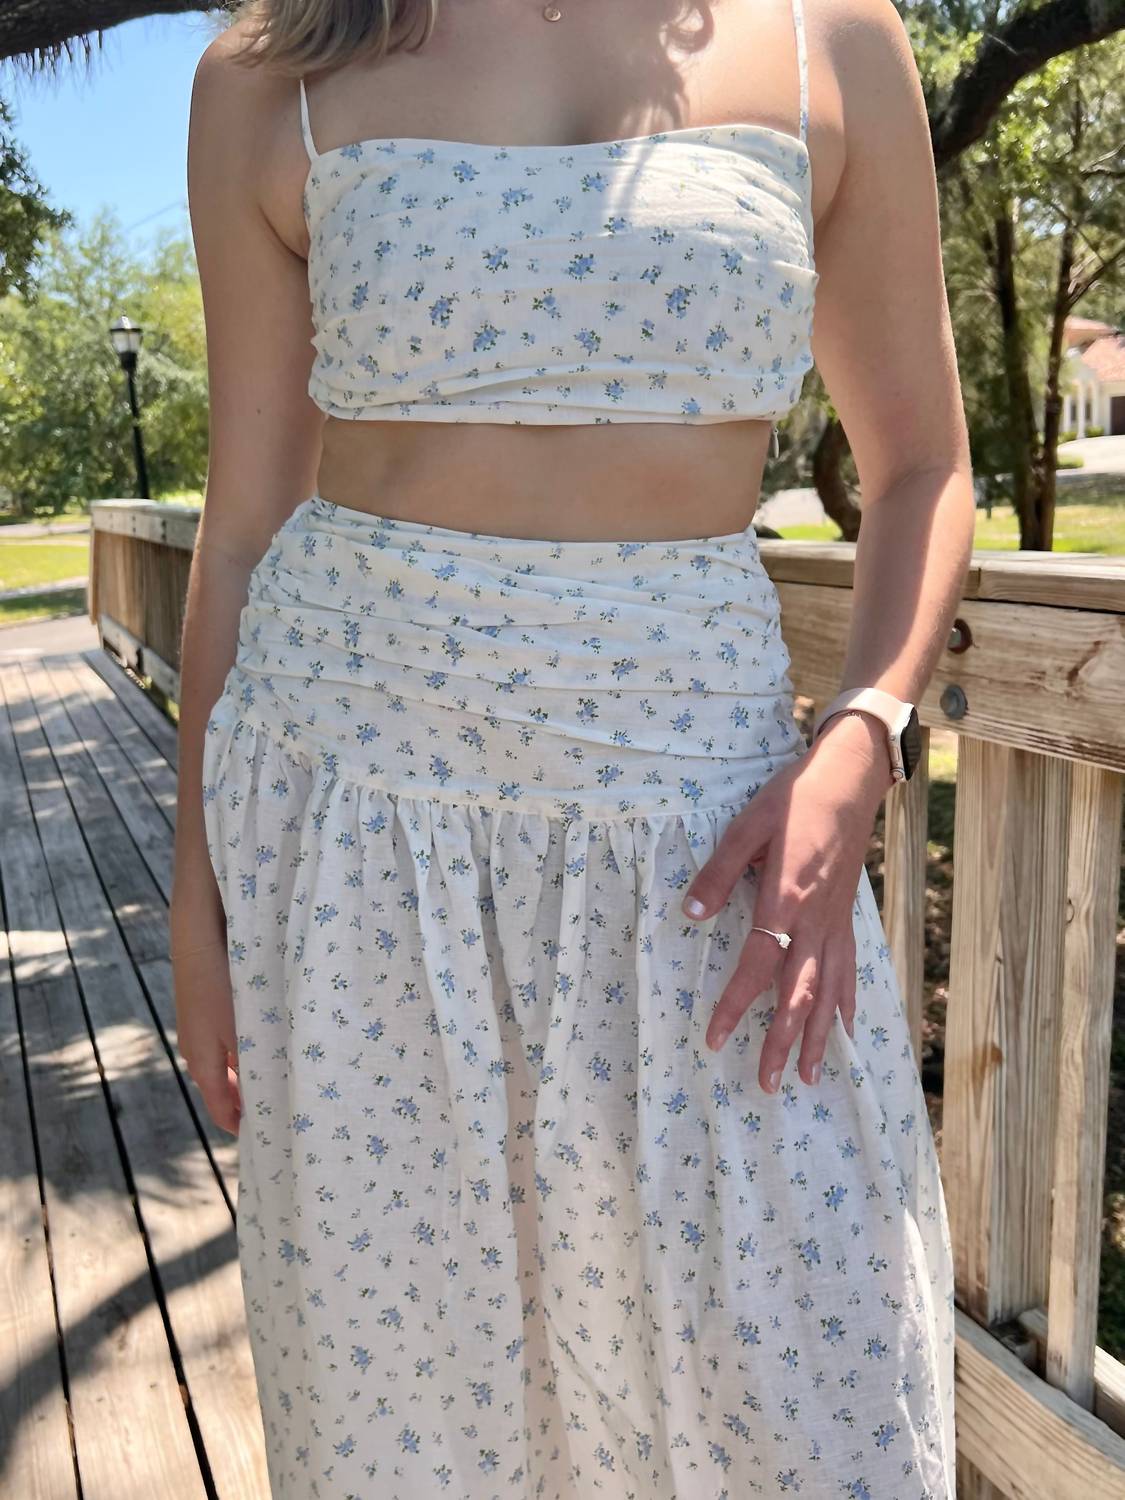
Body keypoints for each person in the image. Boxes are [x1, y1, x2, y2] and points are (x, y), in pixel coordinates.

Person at [172, 0, 973, 1494]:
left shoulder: (830, 37)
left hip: (704, 818)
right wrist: (195, 905)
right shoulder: (273, 69)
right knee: (416, 1409)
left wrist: (863, 730)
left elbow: (922, 463)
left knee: (807, 1397)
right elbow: (240, 529)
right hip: (361, 830)